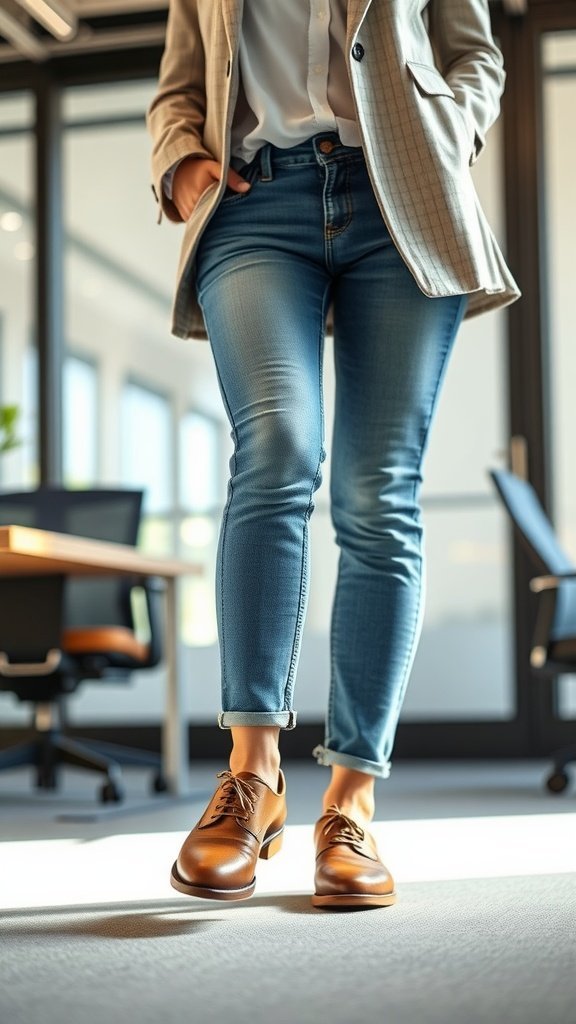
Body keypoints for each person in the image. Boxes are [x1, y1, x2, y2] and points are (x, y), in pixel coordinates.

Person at [147, 0, 520, 909]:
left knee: (377, 491)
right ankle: (252, 778)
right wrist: (183, 164)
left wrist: (445, 131)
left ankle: (350, 806)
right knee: (275, 448)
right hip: (254, 202)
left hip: (401, 195)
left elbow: (477, 58)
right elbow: (178, 88)